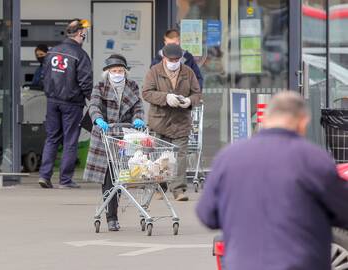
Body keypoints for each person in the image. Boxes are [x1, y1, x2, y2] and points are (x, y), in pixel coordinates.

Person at [196, 91, 348, 270]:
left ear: (265, 119)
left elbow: (207, 215)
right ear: (303, 121)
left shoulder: (228, 157)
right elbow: (343, 211)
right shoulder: (315, 159)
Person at [84, 54, 145, 231]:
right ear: (108, 72)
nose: (117, 73)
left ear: (125, 72)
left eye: (120, 70)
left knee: (121, 176)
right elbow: (93, 106)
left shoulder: (132, 86)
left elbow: (138, 107)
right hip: (105, 134)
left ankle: (114, 212)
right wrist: (98, 120)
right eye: (114, 71)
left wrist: (138, 119)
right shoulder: (100, 86)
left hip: (125, 135)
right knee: (109, 177)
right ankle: (111, 217)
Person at [143, 43, 201, 201]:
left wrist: (189, 101)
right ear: (164, 57)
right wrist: (165, 98)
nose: (174, 62)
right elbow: (146, 93)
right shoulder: (154, 71)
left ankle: (178, 190)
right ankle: (159, 187)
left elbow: (197, 93)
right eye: (171, 59)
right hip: (159, 121)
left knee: (180, 156)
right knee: (159, 156)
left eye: (177, 59)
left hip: (181, 121)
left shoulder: (188, 72)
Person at [38, 18, 92, 189]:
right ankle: (65, 180)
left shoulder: (53, 51)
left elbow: (43, 76)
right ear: (79, 34)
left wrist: (49, 93)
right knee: (70, 140)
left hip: (52, 101)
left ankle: (44, 176)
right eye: (84, 32)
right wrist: (93, 99)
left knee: (52, 138)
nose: (85, 35)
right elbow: (85, 81)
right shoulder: (80, 55)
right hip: (72, 103)